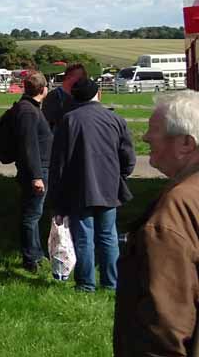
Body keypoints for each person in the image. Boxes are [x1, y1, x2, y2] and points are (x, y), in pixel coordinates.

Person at [114, 90, 199, 356]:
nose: (145, 136)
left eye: (155, 130)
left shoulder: (175, 211)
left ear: (186, 143)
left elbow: (165, 331)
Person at [47, 76, 135, 292]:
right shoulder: (114, 119)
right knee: (108, 237)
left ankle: (86, 284)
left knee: (84, 238)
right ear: (98, 94)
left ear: (74, 97)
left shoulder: (67, 121)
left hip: (78, 188)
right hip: (109, 187)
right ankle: (111, 283)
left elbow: (57, 163)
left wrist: (57, 197)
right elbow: (128, 157)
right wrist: (120, 176)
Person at [10, 70, 52, 271]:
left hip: (38, 169)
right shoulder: (28, 111)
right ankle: (30, 259)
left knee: (34, 214)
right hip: (35, 171)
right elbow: (29, 146)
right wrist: (36, 176)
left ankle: (35, 254)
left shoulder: (30, 108)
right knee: (31, 215)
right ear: (43, 89)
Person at [42, 62, 87, 130]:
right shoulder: (53, 96)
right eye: (79, 78)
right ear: (68, 77)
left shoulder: (80, 96)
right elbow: (46, 124)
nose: (82, 81)